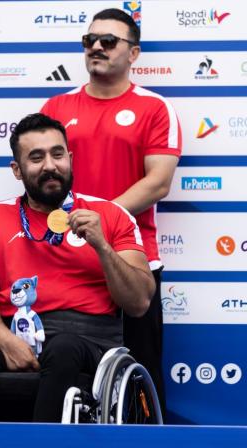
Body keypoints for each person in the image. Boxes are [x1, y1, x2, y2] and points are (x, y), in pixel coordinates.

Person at [0, 113, 155, 422]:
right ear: (17, 170)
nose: (50, 165)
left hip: (87, 342)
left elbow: (139, 303)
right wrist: (5, 340)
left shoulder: (110, 215)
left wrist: (102, 246)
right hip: (16, 334)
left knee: (62, 347)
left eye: (57, 154)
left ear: (71, 159)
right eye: (36, 158)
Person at [40, 8, 181, 414]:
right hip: (63, 258)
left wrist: (101, 222)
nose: (96, 48)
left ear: (133, 53)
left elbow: (158, 182)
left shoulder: (155, 109)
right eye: (90, 41)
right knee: (60, 369)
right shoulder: (55, 106)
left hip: (130, 256)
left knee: (141, 377)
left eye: (109, 41)